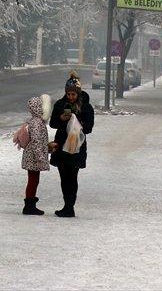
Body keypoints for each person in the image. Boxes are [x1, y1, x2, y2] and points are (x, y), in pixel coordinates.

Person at [49, 71, 95, 218]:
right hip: (61, 145)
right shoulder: (60, 105)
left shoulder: (86, 107)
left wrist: (78, 122)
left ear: (78, 93)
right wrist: (62, 118)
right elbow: (53, 123)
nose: (71, 97)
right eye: (68, 94)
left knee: (72, 176)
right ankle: (66, 205)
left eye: (73, 94)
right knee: (63, 176)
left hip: (77, 146)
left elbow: (89, 128)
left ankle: (70, 206)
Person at [19, 94, 51, 215]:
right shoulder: (37, 123)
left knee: (33, 180)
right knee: (33, 181)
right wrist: (41, 158)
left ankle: (30, 204)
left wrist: (47, 149)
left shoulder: (35, 121)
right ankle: (29, 206)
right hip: (33, 157)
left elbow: (39, 142)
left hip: (32, 156)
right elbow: (37, 142)